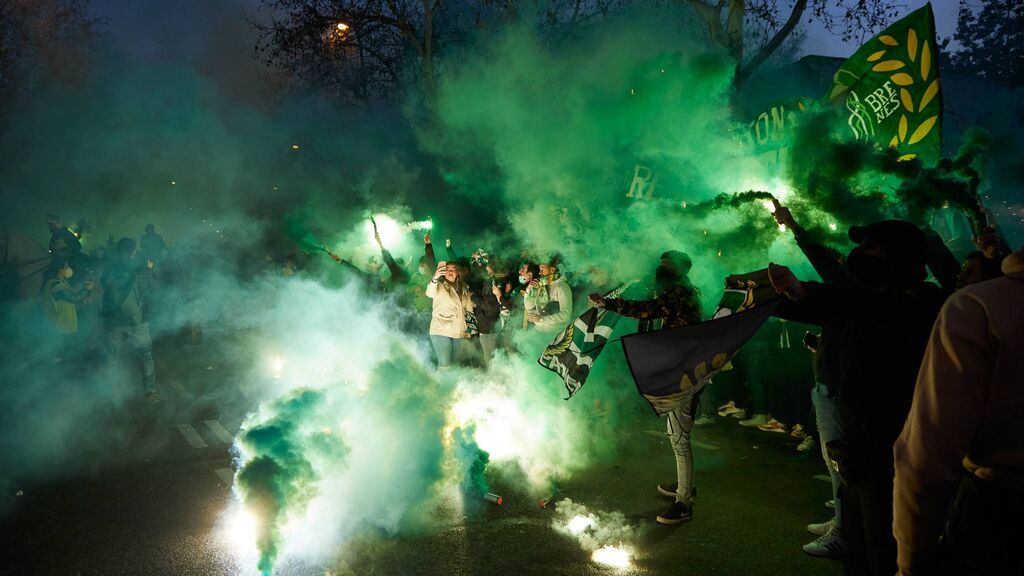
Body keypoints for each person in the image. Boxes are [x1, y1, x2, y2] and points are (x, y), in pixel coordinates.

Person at [768, 220, 946, 575]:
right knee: (861, 541)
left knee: (887, 541)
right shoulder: (862, 300)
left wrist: (806, 290)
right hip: (859, 441)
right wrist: (764, 297)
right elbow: (828, 308)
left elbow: (870, 307)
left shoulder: (921, 299)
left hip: (894, 442)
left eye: (871, 247)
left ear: (899, 257)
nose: (858, 254)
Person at [893, 249, 1024, 576]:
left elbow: (927, 458)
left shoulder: (979, 307)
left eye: (969, 272)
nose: (959, 278)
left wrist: (910, 561)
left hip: (1001, 521)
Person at [590, 250, 702, 525]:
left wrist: (608, 303)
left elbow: (647, 311)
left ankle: (684, 502)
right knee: (677, 432)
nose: (659, 268)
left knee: (679, 437)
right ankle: (684, 486)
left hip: (684, 373)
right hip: (682, 367)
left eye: (665, 265)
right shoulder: (679, 290)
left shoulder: (676, 294)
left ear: (678, 269)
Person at [102, 238, 158, 403]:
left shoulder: (109, 268)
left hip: (114, 321)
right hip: (137, 320)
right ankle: (149, 392)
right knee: (145, 355)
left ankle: (112, 393)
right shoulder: (139, 270)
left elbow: (104, 286)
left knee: (113, 357)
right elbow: (152, 289)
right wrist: (150, 270)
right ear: (134, 251)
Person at [42, 257, 93, 359]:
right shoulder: (54, 284)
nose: (69, 269)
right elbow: (72, 298)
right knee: (58, 358)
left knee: (66, 357)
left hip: (65, 327)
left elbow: (73, 293)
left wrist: (85, 289)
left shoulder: (63, 282)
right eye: (67, 267)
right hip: (58, 327)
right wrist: (85, 290)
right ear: (59, 270)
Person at [425, 260, 472, 369]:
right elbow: (429, 293)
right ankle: (442, 385)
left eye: (453, 269)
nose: (450, 272)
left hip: (459, 331)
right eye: (447, 270)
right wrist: (435, 277)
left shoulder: (464, 287)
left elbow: (468, 309)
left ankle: (454, 386)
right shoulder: (439, 286)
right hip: (441, 330)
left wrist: (469, 329)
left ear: (458, 273)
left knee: (455, 365)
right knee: (445, 365)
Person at [524, 255, 573, 332]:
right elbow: (528, 307)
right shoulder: (541, 285)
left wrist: (541, 319)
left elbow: (566, 315)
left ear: (552, 270)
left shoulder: (562, 287)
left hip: (554, 333)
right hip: (538, 330)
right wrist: (530, 289)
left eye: (542, 268)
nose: (540, 272)